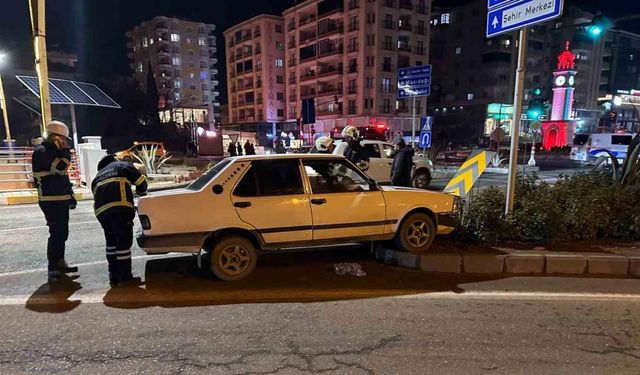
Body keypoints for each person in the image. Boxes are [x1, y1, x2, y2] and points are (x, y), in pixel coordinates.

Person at [92, 154, 148, 287]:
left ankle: (113, 275)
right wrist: (141, 192)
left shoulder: (97, 177)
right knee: (123, 244)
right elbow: (141, 183)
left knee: (111, 244)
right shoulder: (122, 166)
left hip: (102, 214)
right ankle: (125, 278)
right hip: (120, 210)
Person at [32, 121, 78, 282]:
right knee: (56, 233)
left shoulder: (52, 151)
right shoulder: (42, 151)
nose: (65, 143)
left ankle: (60, 262)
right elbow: (60, 168)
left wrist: (70, 196)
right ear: (55, 137)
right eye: (63, 139)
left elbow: (62, 178)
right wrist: (66, 151)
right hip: (50, 199)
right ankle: (53, 267)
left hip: (60, 198)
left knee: (62, 233)